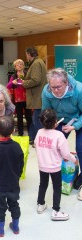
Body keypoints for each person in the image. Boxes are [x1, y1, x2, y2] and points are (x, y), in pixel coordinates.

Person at [41, 68, 82, 200]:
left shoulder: (79, 90)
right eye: (52, 87)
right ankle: (59, 177)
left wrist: (74, 126)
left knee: (80, 148)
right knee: (54, 147)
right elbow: (46, 111)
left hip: (78, 118)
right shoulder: (47, 91)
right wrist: (51, 122)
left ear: (66, 83)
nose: (55, 91)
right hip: (59, 120)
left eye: (58, 87)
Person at [34, 108, 78, 220]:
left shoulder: (39, 132)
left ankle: (41, 204)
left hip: (42, 165)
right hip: (54, 167)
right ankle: (56, 211)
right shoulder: (59, 135)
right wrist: (74, 159)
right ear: (55, 122)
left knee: (43, 184)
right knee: (57, 187)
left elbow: (36, 145)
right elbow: (66, 154)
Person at [22, 47, 47, 145]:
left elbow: (36, 80)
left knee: (37, 120)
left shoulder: (36, 63)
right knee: (35, 119)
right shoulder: (39, 62)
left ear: (28, 54)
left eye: (26, 55)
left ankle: (39, 141)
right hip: (38, 96)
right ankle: (32, 138)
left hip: (37, 97)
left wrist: (24, 83)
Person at [6, 59, 32, 136]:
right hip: (17, 99)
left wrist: (26, 82)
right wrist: (12, 82)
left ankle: (31, 133)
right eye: (18, 64)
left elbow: (31, 83)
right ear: (15, 67)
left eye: (21, 64)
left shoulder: (27, 74)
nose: (19, 65)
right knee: (19, 117)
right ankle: (20, 134)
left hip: (27, 98)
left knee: (28, 116)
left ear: (23, 66)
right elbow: (8, 86)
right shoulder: (13, 76)